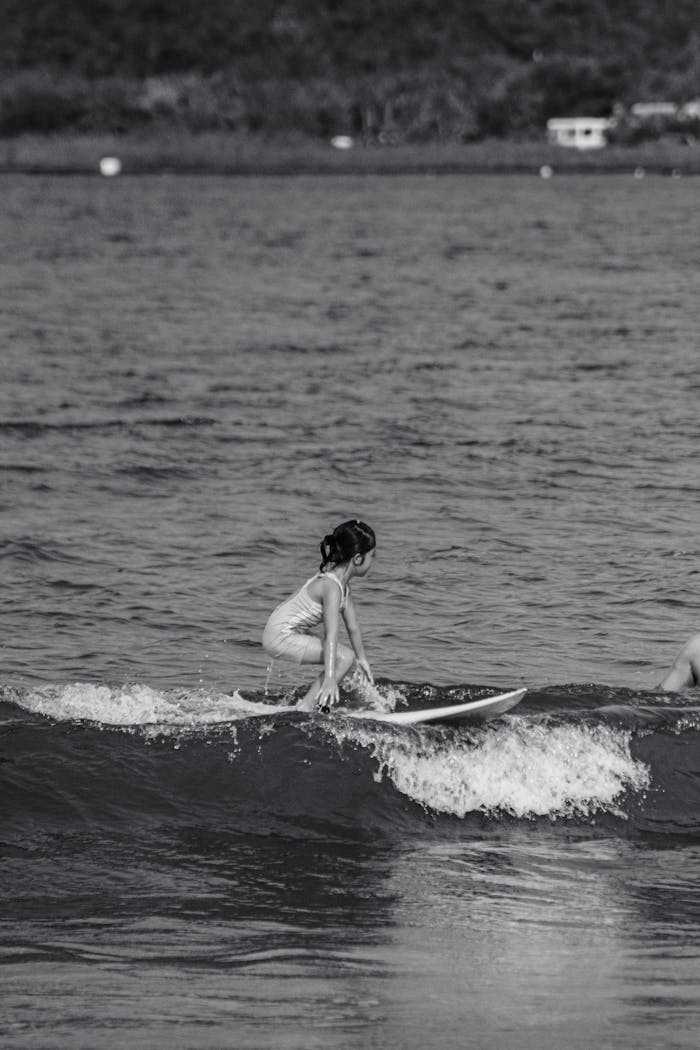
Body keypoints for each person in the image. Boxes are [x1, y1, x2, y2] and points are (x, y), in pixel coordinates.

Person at [262, 520, 376, 711]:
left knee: (346, 659)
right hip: (279, 635)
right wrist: (330, 677)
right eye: (372, 556)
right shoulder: (331, 587)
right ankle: (307, 705)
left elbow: (353, 626)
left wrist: (362, 659)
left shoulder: (342, 587)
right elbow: (330, 634)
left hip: (288, 632)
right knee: (344, 658)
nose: (373, 561)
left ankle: (314, 703)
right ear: (357, 558)